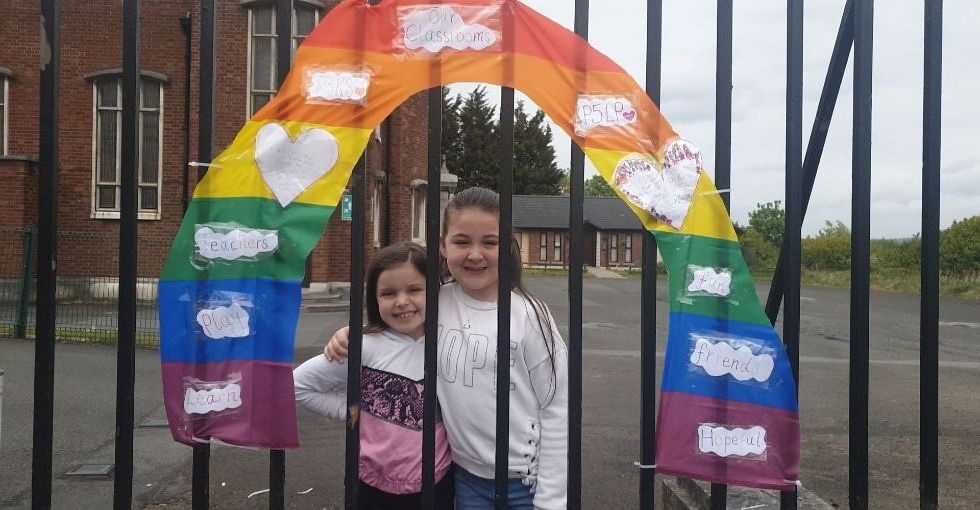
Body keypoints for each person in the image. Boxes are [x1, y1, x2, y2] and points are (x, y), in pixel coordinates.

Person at [324, 187, 569, 510]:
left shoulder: (529, 315)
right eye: (462, 241)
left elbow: (556, 407)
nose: (475, 254)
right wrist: (350, 333)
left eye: (490, 242)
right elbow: (396, 327)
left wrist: (551, 499)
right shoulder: (436, 302)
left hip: (526, 481)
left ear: (507, 245)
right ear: (442, 246)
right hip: (465, 478)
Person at [293, 242, 454, 510]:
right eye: (388, 293)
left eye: (415, 289)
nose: (402, 301)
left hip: (438, 483)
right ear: (374, 298)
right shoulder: (363, 346)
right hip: (371, 487)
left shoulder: (450, 340)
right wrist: (357, 411)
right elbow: (299, 385)